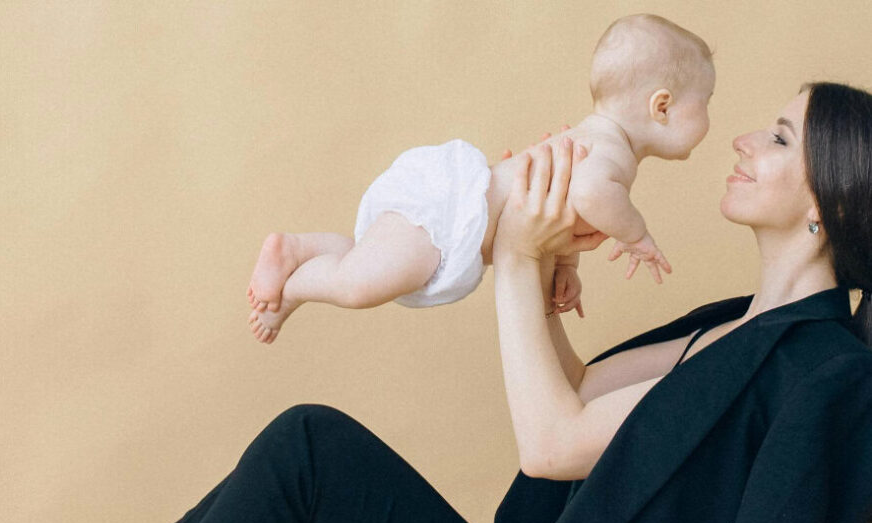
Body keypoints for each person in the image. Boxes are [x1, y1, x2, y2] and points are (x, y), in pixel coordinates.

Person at [43, 82, 872, 523]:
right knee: (296, 483)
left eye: (778, 138)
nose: (743, 144)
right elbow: (577, 398)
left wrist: (512, 254)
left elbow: (551, 448)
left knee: (308, 451)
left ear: (828, 202)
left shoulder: (828, 373)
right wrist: (547, 267)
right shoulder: (733, 327)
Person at [245, 14, 715, 344]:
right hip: (452, 213)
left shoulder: (598, 143)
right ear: (663, 106)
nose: (709, 117)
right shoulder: (611, 152)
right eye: (705, 103)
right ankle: (296, 285)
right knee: (358, 286)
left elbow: (561, 207)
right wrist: (637, 236)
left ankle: (300, 254)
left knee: (365, 260)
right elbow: (591, 193)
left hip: (451, 208)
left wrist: (566, 267)